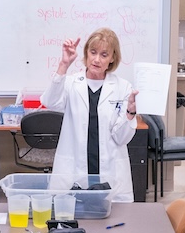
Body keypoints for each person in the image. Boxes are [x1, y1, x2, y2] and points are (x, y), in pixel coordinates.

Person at [40, 28, 139, 203]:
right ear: (86, 52)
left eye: (104, 54)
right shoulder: (71, 83)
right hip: (73, 170)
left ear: (112, 58)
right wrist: (63, 65)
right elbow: (50, 101)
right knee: (72, 218)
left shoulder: (123, 87)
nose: (96, 59)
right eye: (93, 52)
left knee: (112, 223)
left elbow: (121, 137)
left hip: (109, 169)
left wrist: (130, 113)